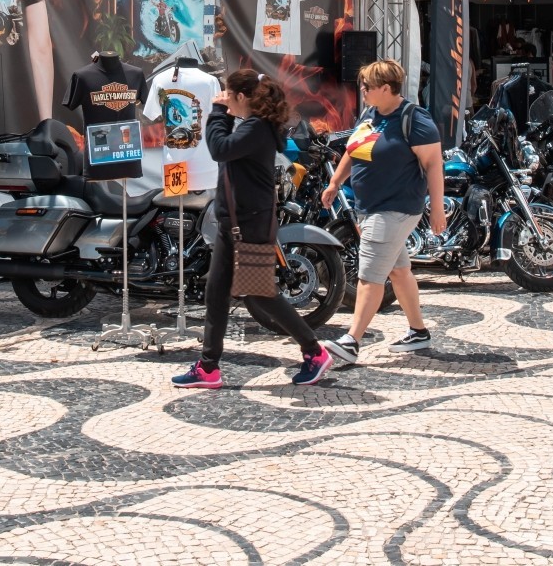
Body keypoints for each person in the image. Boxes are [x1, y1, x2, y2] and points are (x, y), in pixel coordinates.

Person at [173, 70, 332, 388]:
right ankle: (208, 367)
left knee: (260, 295)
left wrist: (216, 113)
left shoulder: (258, 128)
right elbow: (229, 148)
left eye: (227, 94)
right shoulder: (252, 126)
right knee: (216, 292)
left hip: (250, 224)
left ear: (241, 98)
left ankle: (314, 352)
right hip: (233, 224)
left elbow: (220, 148)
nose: (224, 99)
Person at [321, 59, 447, 366]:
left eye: (367, 86)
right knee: (399, 271)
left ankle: (351, 341)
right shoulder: (371, 114)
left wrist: (437, 209)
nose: (361, 90)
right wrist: (335, 182)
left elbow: (434, 165)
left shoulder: (415, 120)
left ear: (386, 88)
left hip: (396, 208)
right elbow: (353, 151)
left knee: (369, 275)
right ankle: (418, 332)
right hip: (370, 209)